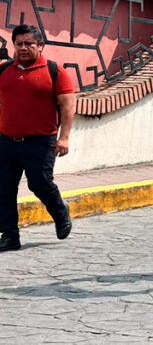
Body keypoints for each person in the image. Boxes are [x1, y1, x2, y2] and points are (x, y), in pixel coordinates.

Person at [0, 25, 76, 252]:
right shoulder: (4, 71)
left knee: (40, 183)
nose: (23, 48)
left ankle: (61, 212)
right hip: (6, 141)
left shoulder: (54, 71)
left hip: (41, 141)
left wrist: (64, 138)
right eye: (19, 43)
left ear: (40, 46)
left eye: (29, 44)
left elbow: (68, 105)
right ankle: (10, 236)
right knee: (3, 188)